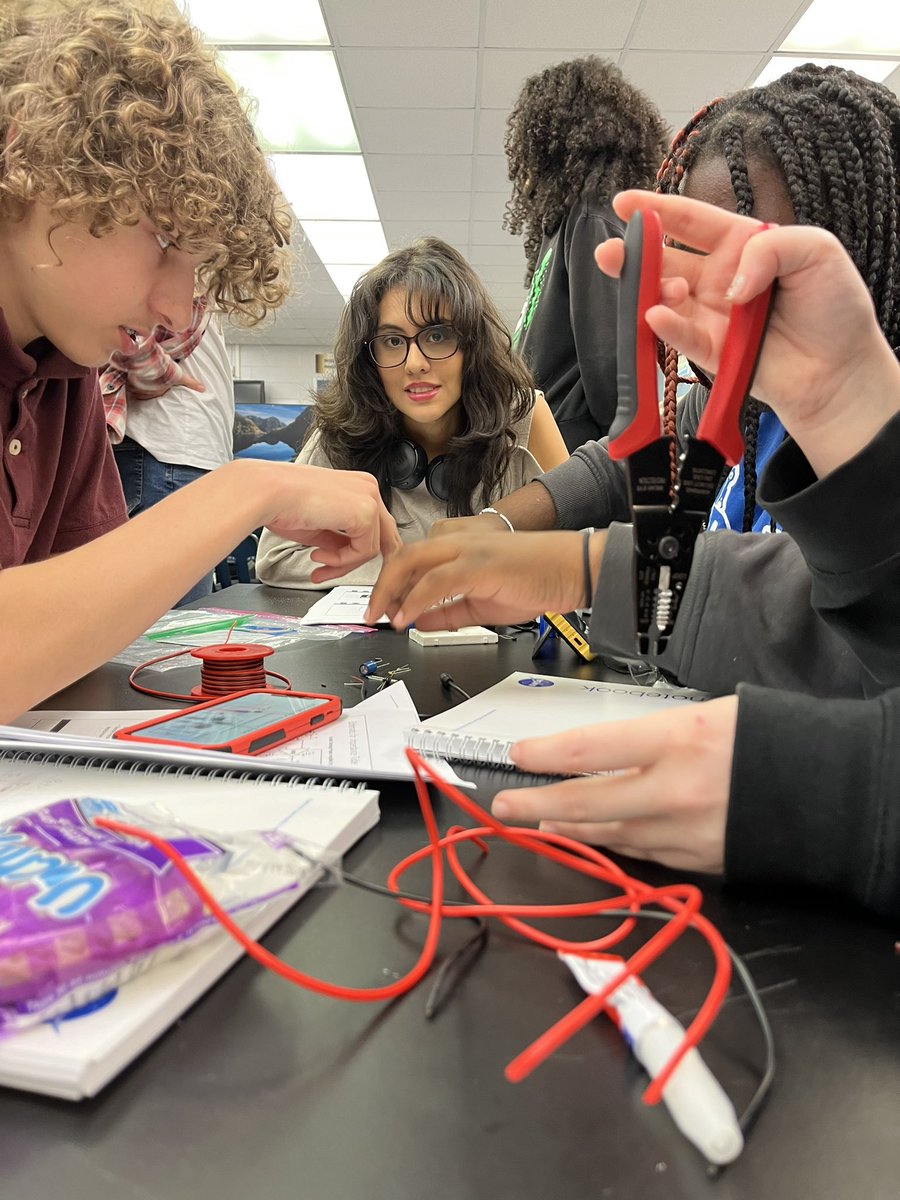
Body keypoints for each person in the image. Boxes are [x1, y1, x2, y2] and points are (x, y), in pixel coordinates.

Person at [370, 190, 900, 919]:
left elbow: (844, 637)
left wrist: (817, 788)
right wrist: (563, 559)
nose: (726, 299)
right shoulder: (725, 409)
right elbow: (615, 466)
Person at [0, 0, 400, 723]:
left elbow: (81, 638)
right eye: (162, 239)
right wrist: (244, 493)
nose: (180, 312)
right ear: (33, 163)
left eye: (199, 266)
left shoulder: (64, 379)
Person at [447, 65, 900, 543]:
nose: (725, 305)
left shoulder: (872, 436)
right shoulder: (733, 398)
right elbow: (615, 466)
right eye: (699, 263)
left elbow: (801, 588)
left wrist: (577, 570)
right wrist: (493, 526)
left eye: (763, 269)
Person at [255, 237, 567, 588]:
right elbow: (277, 557)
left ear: (472, 345)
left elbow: (574, 552)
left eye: (437, 336)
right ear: (370, 361)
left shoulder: (524, 414)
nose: (415, 364)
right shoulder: (343, 429)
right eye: (392, 341)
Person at [505, 56, 668, 451]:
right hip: (541, 442)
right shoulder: (562, 224)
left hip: (570, 452)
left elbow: (610, 367)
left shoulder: (594, 215)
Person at [102, 307, 236, 605]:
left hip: (175, 457)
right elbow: (124, 326)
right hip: (169, 456)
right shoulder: (190, 274)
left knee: (169, 622)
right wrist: (160, 370)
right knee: (170, 629)